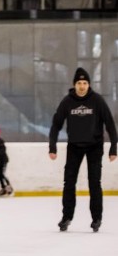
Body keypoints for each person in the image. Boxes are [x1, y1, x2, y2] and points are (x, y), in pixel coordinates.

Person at [49, 67, 117, 233]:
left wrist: (113, 148)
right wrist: (53, 146)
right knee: (69, 182)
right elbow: (56, 124)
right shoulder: (67, 101)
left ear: (88, 84)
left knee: (94, 182)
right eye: (79, 83)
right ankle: (67, 217)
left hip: (94, 146)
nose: (82, 86)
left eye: (85, 83)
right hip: (74, 146)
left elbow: (110, 124)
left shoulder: (97, 101)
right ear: (74, 84)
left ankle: (96, 218)